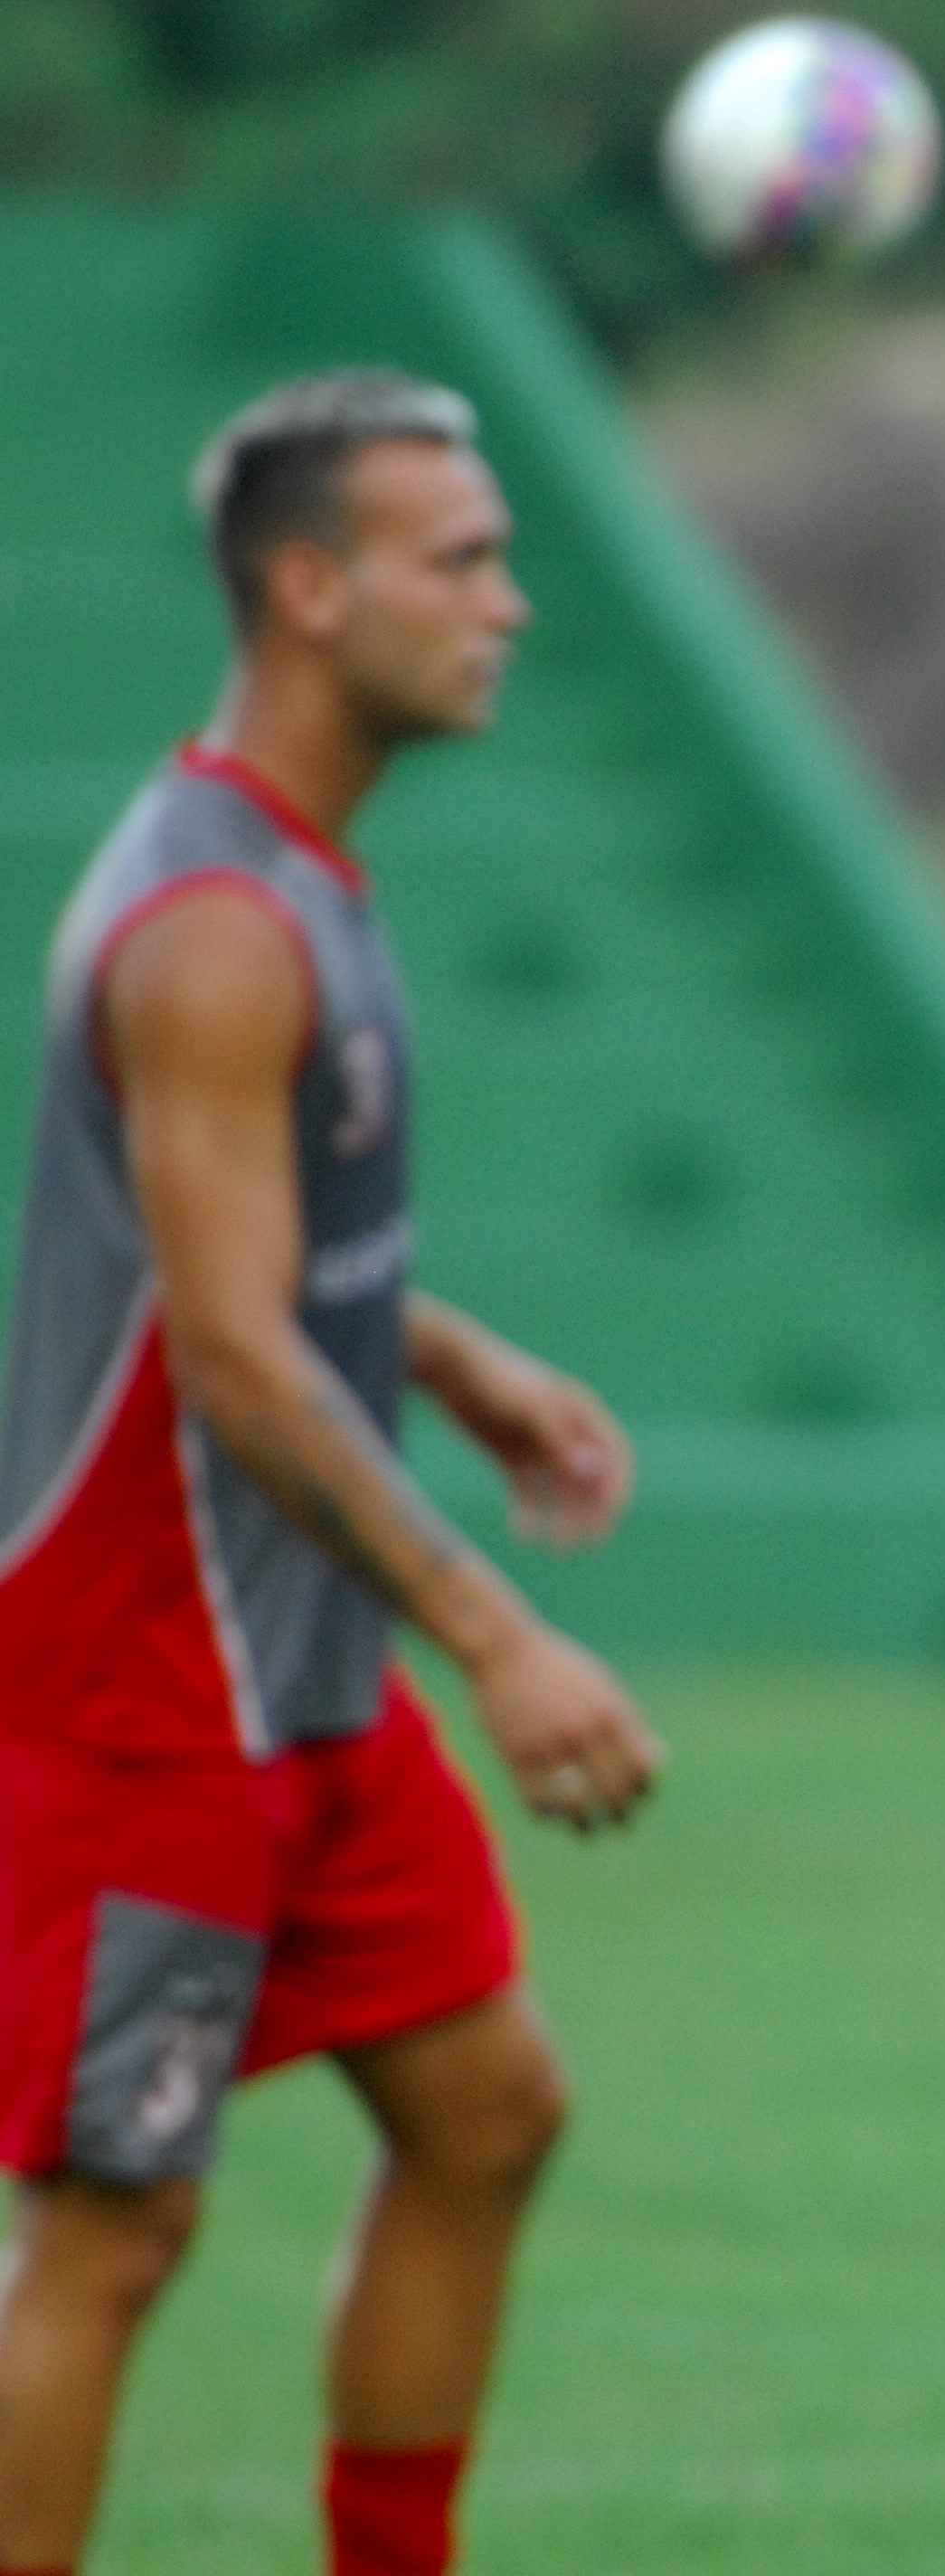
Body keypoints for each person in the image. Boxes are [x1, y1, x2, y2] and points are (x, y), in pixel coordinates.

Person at [0, 372, 662, 2576]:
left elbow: (275, 1264)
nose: (508, 601)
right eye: (457, 560)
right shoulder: (212, 926)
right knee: (117, 2226)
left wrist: (451, 1356)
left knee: (486, 2107)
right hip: (148, 1683)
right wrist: (498, 1633)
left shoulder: (294, 875)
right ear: (310, 589)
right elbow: (232, 1353)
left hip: (295, 1670)